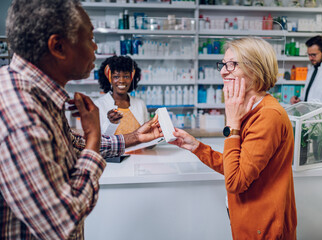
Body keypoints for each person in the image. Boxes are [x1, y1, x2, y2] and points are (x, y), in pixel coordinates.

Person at [0, 0, 161, 239]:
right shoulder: (20, 114)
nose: (95, 47)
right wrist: (94, 138)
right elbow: (61, 223)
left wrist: (135, 137)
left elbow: (72, 145)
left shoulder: (37, 95)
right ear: (58, 46)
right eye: (89, 37)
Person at [170, 38, 297, 239]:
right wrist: (196, 147)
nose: (222, 71)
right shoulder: (250, 110)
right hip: (249, 219)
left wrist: (232, 123)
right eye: (223, 64)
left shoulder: (268, 115)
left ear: (256, 69)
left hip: (264, 227)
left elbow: (235, 182)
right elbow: (236, 166)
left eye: (232, 65)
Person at [94, 55, 149, 135]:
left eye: (126, 76)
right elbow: (100, 140)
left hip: (140, 148)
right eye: (116, 77)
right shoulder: (99, 105)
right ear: (109, 79)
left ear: (132, 79)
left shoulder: (140, 104)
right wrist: (111, 123)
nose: (122, 81)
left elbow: (147, 137)